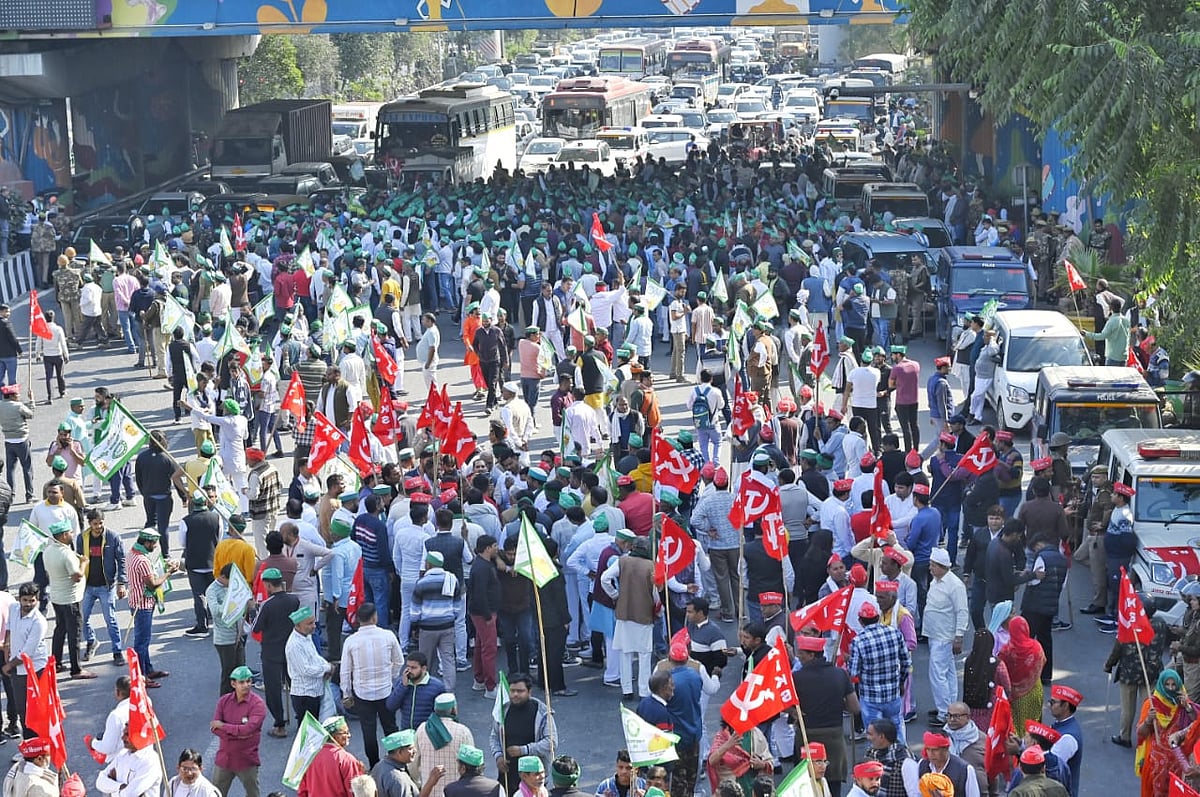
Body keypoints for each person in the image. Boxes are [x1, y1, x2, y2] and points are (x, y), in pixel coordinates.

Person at [792, 634, 857, 796]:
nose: (798, 657)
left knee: (806, 785)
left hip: (806, 737)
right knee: (833, 786)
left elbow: (783, 704)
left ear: (812, 655)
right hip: (834, 739)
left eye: (802, 654)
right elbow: (854, 707)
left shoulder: (796, 678)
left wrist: (794, 712)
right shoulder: (840, 674)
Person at [343, 602, 404, 768]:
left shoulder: (351, 641)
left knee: (368, 732)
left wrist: (346, 693)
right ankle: (397, 763)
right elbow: (399, 661)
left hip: (362, 693)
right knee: (390, 728)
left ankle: (375, 765)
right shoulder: (388, 636)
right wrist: (390, 676)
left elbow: (345, 671)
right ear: (374, 617)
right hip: (385, 690)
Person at [848, 604, 911, 745]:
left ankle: (879, 764)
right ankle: (902, 758)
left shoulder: (858, 641)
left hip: (871, 698)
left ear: (860, 621)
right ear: (878, 617)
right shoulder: (895, 633)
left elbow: (853, 672)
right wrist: (901, 682)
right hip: (893, 694)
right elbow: (906, 662)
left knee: (875, 735)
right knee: (897, 730)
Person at [42, 519, 95, 679]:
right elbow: (77, 576)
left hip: (57, 596)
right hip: (70, 599)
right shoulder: (66, 554)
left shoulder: (48, 550)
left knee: (60, 630)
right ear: (64, 535)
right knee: (75, 633)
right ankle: (76, 669)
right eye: (71, 532)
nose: (73, 534)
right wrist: (84, 563)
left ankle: (56, 662)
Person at [487, 673, 557, 793]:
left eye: (520, 691)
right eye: (512, 690)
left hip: (533, 776)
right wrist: (498, 756)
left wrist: (524, 750)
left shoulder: (542, 713)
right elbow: (494, 737)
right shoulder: (503, 710)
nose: (515, 694)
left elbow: (551, 742)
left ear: (529, 692)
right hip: (508, 774)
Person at [126, 528, 178, 688]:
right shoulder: (142, 561)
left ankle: (148, 669)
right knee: (142, 642)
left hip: (135, 600)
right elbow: (153, 584)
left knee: (144, 641)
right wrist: (169, 573)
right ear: (147, 542)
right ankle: (141, 677)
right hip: (143, 605)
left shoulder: (132, 553)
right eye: (154, 543)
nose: (155, 546)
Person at [75, 508, 126, 666]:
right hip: (88, 586)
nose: (98, 527)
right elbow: (78, 559)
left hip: (107, 586)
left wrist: (121, 583)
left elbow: (121, 560)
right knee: (82, 618)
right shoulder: (82, 538)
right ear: (89, 524)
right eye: (95, 524)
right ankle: (91, 641)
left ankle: (117, 651)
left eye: (100, 523)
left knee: (110, 620)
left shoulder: (112, 537)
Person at [924, 548, 968, 727]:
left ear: (942, 566)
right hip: (934, 633)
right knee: (948, 672)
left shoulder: (955, 585)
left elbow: (962, 611)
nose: (930, 568)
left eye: (933, 565)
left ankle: (944, 713)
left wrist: (959, 636)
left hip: (944, 636)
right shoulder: (936, 581)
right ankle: (950, 706)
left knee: (937, 674)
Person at [211, 665, 267, 797]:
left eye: (249, 681)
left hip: (246, 760)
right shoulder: (223, 701)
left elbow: (248, 729)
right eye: (242, 682)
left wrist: (224, 727)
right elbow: (214, 728)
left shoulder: (258, 704)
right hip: (224, 759)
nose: (246, 685)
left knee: (253, 794)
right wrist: (240, 733)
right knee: (215, 794)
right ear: (233, 683)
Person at [3, 583, 47, 735]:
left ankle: (37, 749)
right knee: (22, 708)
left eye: (32, 600)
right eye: (25, 600)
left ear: (38, 600)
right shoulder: (14, 608)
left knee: (35, 710)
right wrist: (7, 647)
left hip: (35, 670)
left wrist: (8, 666)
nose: (28, 604)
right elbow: (8, 627)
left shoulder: (38, 621)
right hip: (18, 668)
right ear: (19, 599)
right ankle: (29, 747)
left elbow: (26, 653)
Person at [413, 693, 474, 797]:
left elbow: (413, 763)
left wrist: (418, 784)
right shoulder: (463, 731)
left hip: (428, 791)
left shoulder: (422, 729)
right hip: (455, 792)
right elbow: (471, 763)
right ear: (453, 710)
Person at [298, 716, 366, 797]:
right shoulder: (346, 760)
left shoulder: (309, 756)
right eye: (345, 732)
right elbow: (354, 791)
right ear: (335, 736)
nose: (349, 735)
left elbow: (302, 788)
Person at [1001, 616, 1047, 733]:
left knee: (1018, 726)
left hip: (1016, 696)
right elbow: (1043, 661)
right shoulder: (1036, 646)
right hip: (1035, 690)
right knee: (1034, 724)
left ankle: (1020, 750)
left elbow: (1002, 672)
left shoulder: (1006, 651)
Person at [903, 731, 980, 797]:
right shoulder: (923, 764)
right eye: (928, 749)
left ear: (946, 749)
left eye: (935, 750)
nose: (931, 754)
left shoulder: (965, 770)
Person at [387, 652, 446, 733]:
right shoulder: (401, 682)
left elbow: (444, 714)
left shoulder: (437, 686)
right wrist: (403, 686)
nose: (409, 670)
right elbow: (391, 706)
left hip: (427, 734)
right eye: (408, 667)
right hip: (407, 734)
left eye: (414, 668)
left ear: (423, 668)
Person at [373, 729, 443, 797]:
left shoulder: (378, 766)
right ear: (399, 752)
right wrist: (430, 783)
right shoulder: (398, 780)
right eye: (410, 748)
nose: (415, 751)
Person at [95, 728, 162, 797]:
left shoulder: (150, 761)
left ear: (140, 736)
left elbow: (130, 794)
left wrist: (111, 789)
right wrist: (120, 786)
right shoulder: (122, 755)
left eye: (127, 734)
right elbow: (99, 782)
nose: (122, 738)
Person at [863, 718, 910, 797]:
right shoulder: (870, 753)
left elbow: (914, 793)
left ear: (881, 736)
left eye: (870, 734)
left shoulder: (905, 761)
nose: (868, 737)